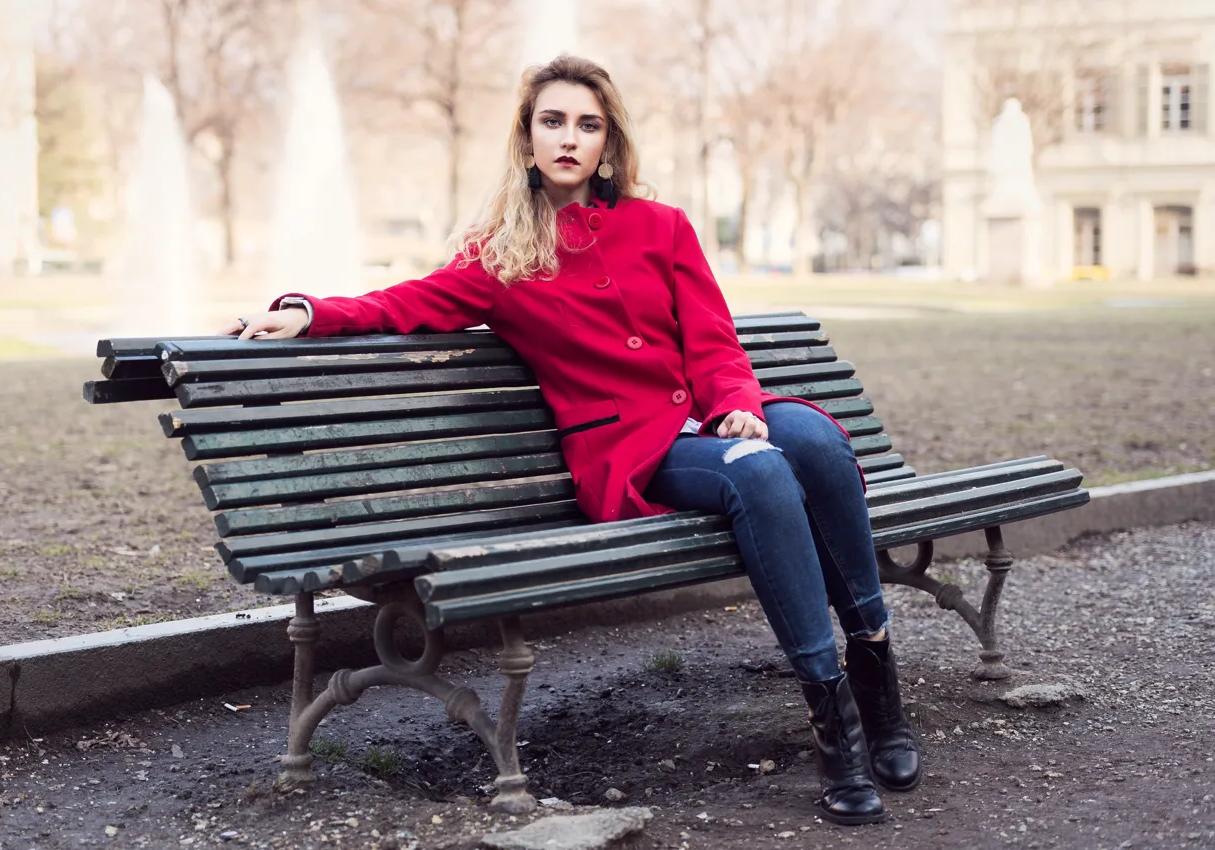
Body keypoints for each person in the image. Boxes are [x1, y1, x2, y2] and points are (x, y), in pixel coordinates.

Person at [223, 55, 919, 825]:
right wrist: (305, 311)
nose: (569, 138)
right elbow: (400, 304)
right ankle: (838, 731)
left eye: (587, 125)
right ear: (526, 140)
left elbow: (715, 340)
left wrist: (736, 404)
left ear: (607, 143)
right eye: (552, 122)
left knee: (815, 443)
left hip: (709, 412)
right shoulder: (501, 256)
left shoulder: (664, 227)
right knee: (760, 474)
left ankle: (875, 668)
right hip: (632, 450)